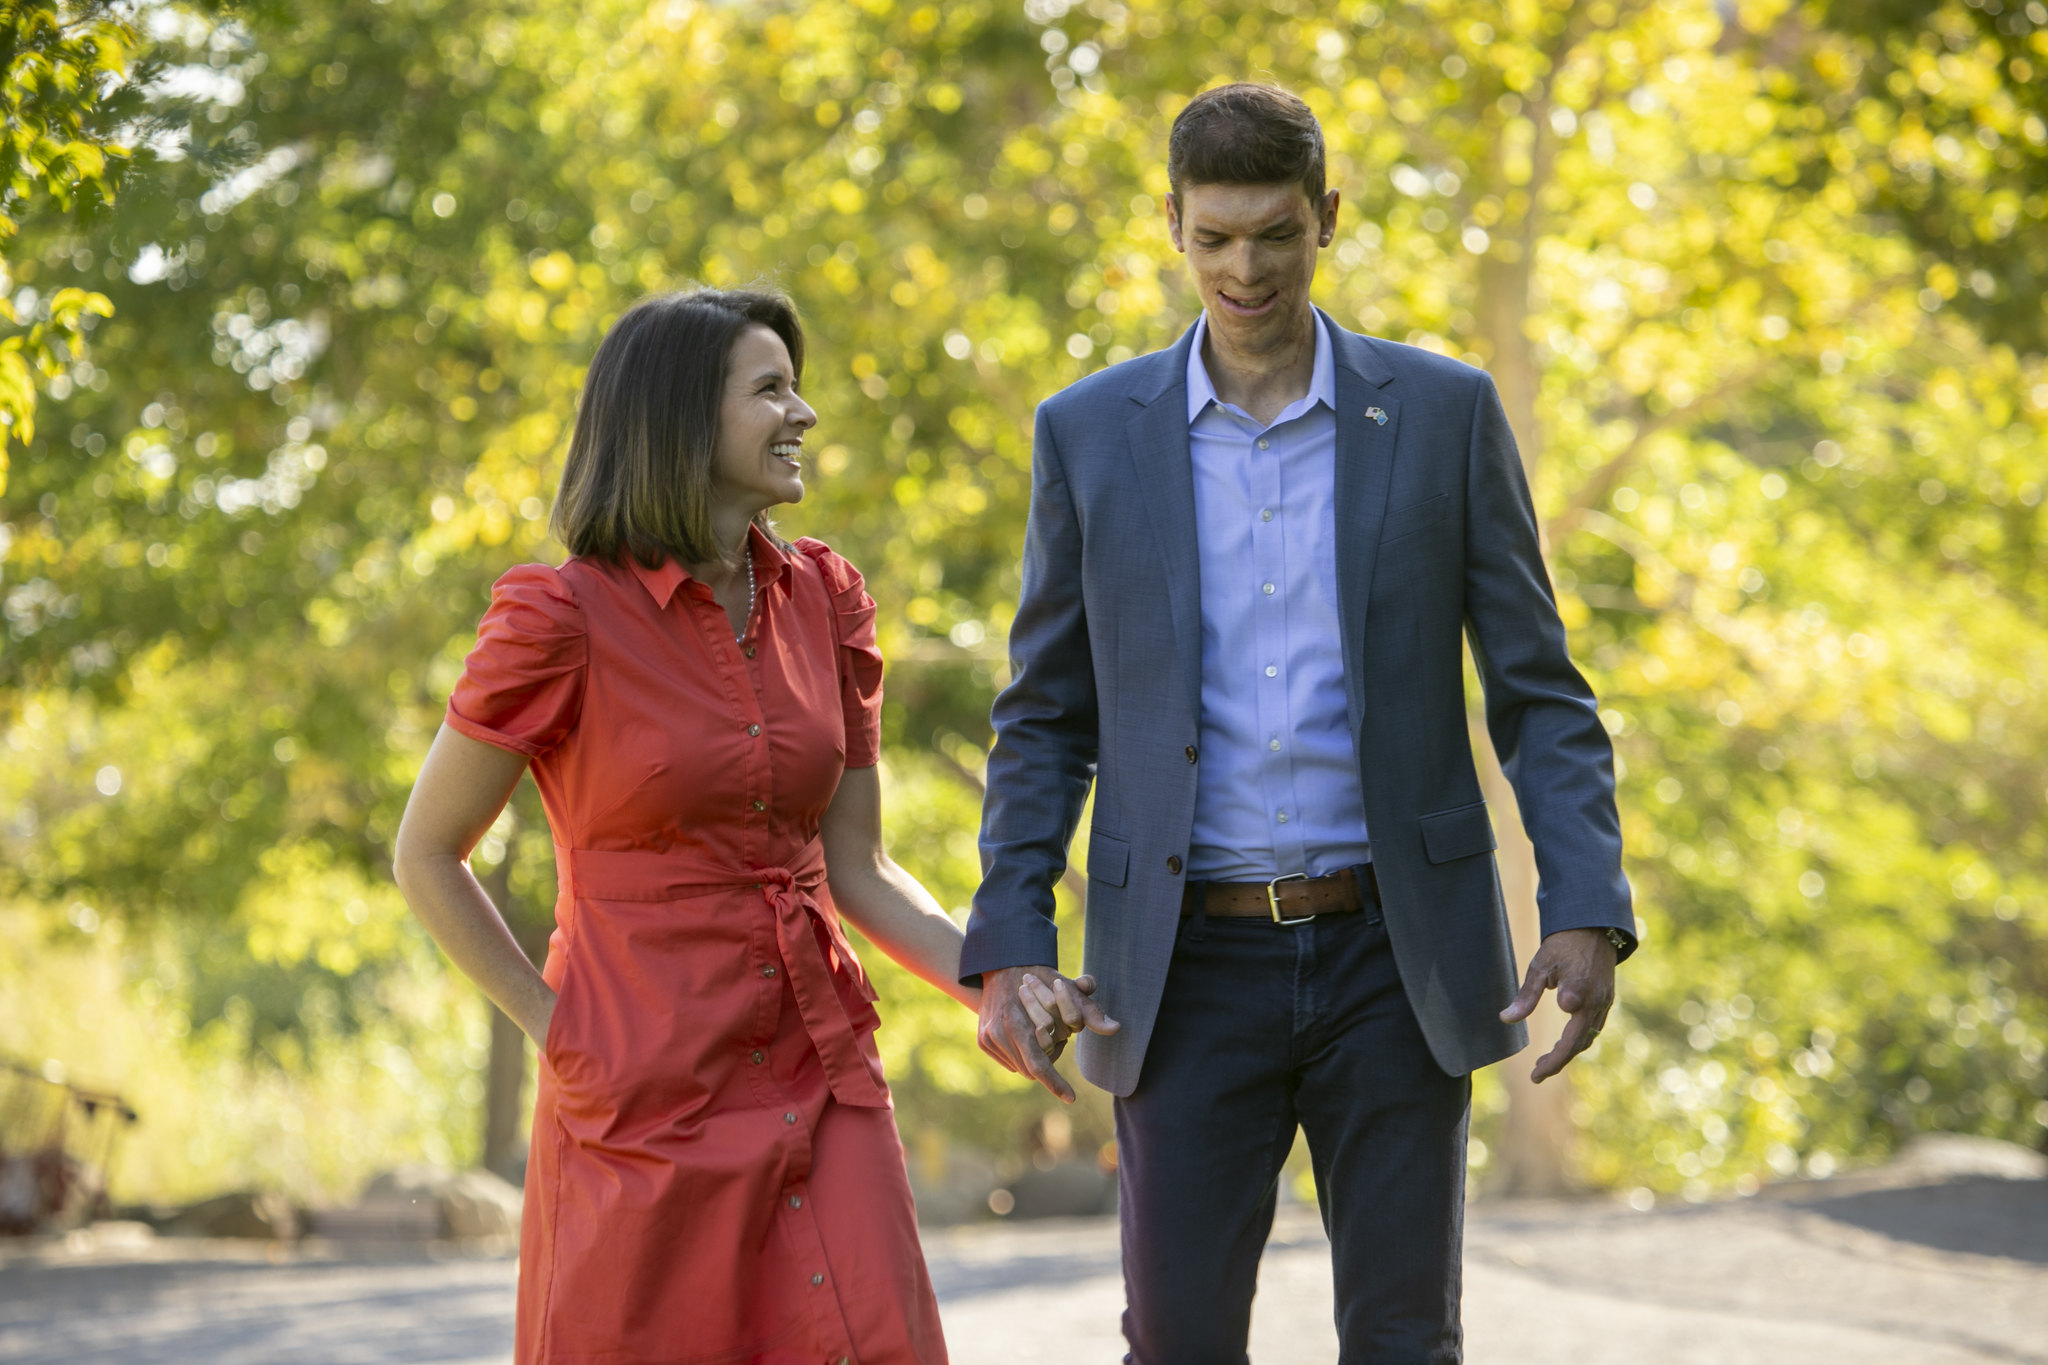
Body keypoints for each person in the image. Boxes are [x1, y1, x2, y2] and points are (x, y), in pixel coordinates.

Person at [963, 84, 1636, 1363]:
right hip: (1176, 966)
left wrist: (1583, 902)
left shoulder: (1441, 415)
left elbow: (1539, 690)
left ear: (1327, 218)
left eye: (1274, 233)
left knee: (1401, 1339)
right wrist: (1009, 940)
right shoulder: (1088, 434)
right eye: (1213, 237)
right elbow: (1045, 715)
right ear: (1170, 225)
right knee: (1175, 1343)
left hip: (1395, 954)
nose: (1244, 268)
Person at [393, 288, 967, 1365]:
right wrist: (556, 1032)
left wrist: (1000, 984)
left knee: (872, 1339)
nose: (800, 414)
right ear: (679, 420)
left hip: (818, 1061)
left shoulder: (825, 600)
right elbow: (425, 854)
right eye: (770, 390)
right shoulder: (558, 617)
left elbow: (863, 868)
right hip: (637, 1090)